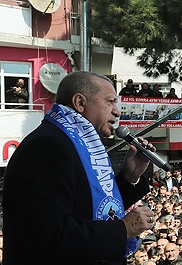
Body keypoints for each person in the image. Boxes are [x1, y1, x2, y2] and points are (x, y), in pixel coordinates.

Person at [2, 71, 156, 264]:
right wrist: (123, 229)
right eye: (110, 102)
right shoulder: (49, 146)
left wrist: (129, 176)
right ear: (80, 103)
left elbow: (88, 208)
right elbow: (46, 234)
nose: (117, 111)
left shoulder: (76, 144)